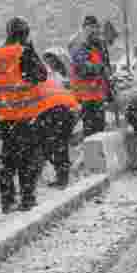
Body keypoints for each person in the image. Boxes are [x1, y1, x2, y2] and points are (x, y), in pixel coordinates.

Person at [0, 17, 48, 213]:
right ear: (25, 33)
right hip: (24, 114)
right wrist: (32, 51)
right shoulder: (24, 52)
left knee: (8, 159)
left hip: (5, 116)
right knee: (27, 159)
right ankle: (27, 198)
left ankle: (7, 200)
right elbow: (41, 75)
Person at [36, 54, 81, 189]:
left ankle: (62, 178)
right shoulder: (52, 76)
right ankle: (63, 176)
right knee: (58, 145)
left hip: (55, 111)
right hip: (67, 110)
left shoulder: (39, 78)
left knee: (53, 145)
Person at [68, 15, 111, 137]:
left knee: (100, 131)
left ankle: (98, 154)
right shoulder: (79, 44)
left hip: (98, 94)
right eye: (90, 27)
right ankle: (91, 153)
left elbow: (105, 69)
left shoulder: (99, 44)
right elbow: (82, 67)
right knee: (91, 131)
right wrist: (99, 68)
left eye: (95, 27)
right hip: (86, 96)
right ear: (84, 28)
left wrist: (109, 92)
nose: (94, 30)